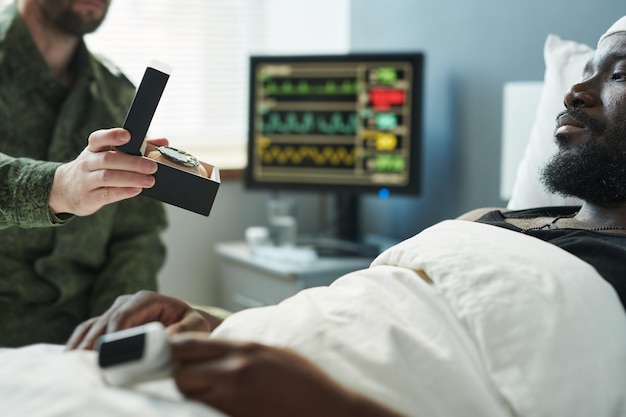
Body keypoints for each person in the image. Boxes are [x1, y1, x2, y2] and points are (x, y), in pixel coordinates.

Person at [66, 15, 626, 417]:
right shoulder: (494, 221)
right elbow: (362, 313)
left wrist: (326, 403)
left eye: (617, 74)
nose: (576, 91)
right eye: (584, 70)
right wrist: (210, 320)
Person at [0, 0, 168, 347]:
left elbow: (137, 234)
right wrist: (56, 187)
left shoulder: (116, 95)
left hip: (83, 348)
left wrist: (115, 327)